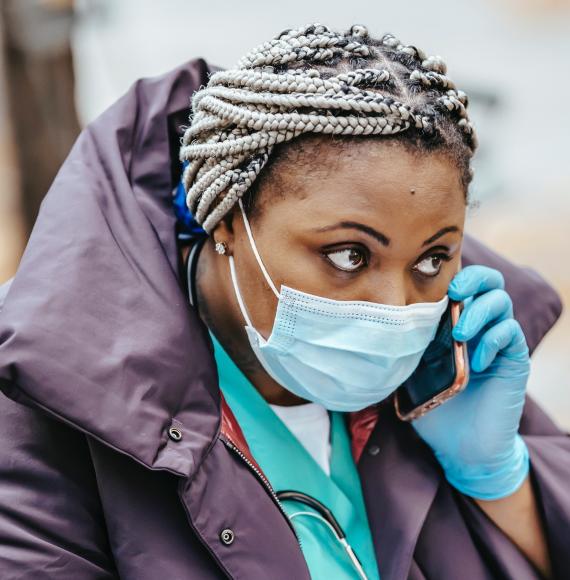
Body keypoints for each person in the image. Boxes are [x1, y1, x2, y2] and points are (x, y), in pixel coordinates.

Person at [0, 23, 568, 580]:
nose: (396, 306)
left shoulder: (455, 383)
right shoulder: (40, 413)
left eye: (430, 261)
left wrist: (500, 479)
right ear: (224, 220)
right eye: (348, 256)